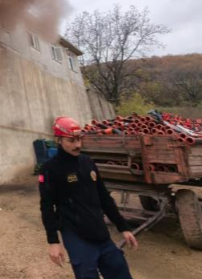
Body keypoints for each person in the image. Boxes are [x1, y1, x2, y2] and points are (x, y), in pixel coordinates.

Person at [39, 116, 139, 279]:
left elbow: (104, 197)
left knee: (120, 271)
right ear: (59, 140)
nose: (77, 145)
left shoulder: (87, 162)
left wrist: (123, 227)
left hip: (99, 231)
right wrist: (53, 241)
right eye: (71, 140)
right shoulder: (50, 169)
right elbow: (47, 206)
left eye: (79, 139)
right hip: (76, 235)